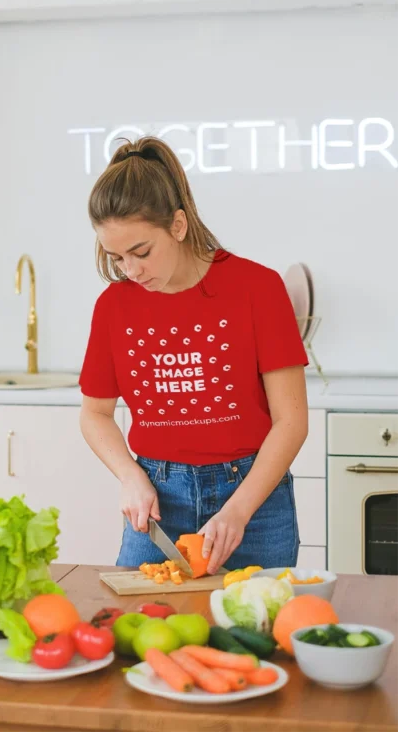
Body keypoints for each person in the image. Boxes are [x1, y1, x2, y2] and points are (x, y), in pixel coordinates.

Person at [79, 136, 308, 575]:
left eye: (141, 252)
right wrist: (130, 477)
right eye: (117, 256)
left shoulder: (257, 289)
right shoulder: (114, 306)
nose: (130, 270)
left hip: (254, 499)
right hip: (159, 500)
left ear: (178, 226)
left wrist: (238, 511)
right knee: (142, 633)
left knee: (256, 632)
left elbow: (292, 421)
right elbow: (95, 414)